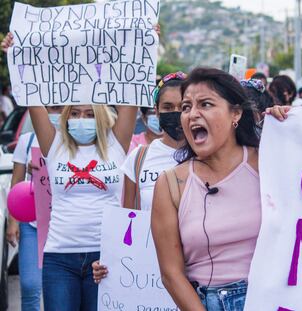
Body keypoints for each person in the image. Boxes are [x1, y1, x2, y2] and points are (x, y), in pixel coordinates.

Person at [2, 31, 137, 311]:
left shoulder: (116, 143)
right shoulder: (54, 146)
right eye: (74, 113)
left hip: (106, 257)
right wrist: (15, 56)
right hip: (59, 258)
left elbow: (131, 86)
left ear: (100, 116)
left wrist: (143, 44)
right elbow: (32, 95)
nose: (80, 119)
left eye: (89, 113)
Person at [150, 68, 262, 311]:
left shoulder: (268, 164)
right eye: (187, 107)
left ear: (236, 113)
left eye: (206, 104)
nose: (192, 114)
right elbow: (171, 274)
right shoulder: (170, 184)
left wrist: (290, 124)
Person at [92, 72, 187, 283]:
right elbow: (127, 221)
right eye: (168, 107)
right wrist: (109, 261)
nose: (176, 113)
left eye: (183, 107)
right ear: (156, 111)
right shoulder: (140, 158)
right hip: (148, 273)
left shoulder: (208, 155)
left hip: (195, 269)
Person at [7, 106, 62, 311]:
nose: (56, 112)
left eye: (61, 108)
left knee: (59, 286)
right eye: (52, 108)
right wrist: (13, 222)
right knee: (30, 285)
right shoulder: (27, 140)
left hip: (63, 225)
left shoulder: (75, 141)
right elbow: (17, 181)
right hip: (33, 224)